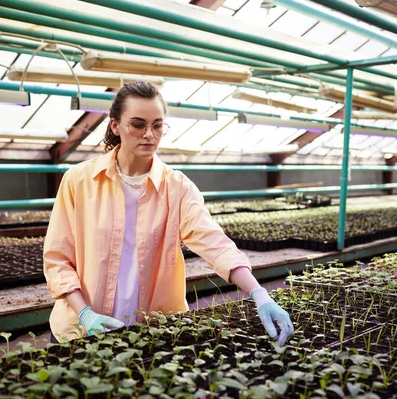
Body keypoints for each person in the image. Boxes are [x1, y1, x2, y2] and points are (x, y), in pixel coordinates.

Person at [43, 81, 294, 346]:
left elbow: (214, 243)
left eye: (157, 125)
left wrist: (259, 293)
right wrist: (84, 313)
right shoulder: (78, 181)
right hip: (81, 330)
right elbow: (58, 258)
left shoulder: (177, 187)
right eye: (138, 124)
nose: (149, 134)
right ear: (115, 126)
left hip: (149, 333)